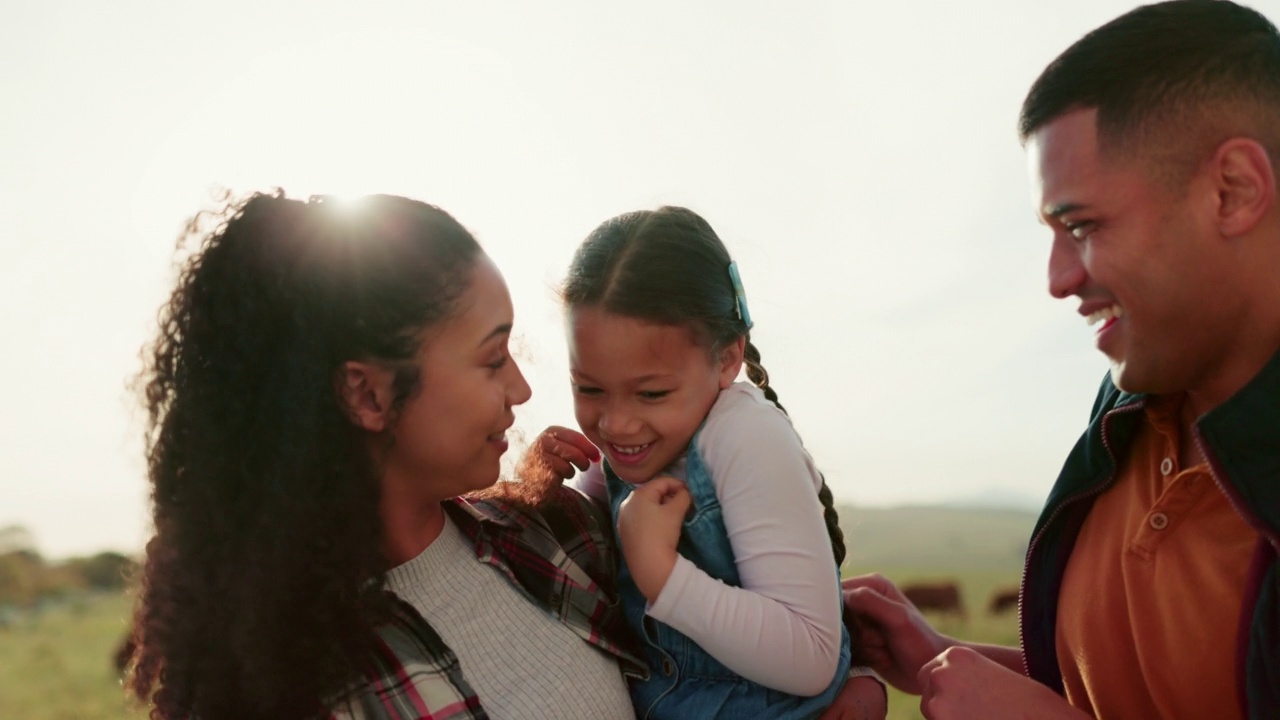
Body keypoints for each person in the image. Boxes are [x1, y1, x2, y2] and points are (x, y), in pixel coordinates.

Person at [121, 191, 884, 720]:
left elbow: (771, 620)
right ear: (369, 395)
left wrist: (859, 681)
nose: (523, 389)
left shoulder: (557, 539)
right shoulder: (278, 685)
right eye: (491, 360)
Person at [842, 2, 1280, 719]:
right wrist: (936, 659)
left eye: (1081, 226)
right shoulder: (1128, 406)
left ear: (1233, 190)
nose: (1057, 279)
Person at [522, 206, 885, 719]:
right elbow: (586, 550)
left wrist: (663, 575)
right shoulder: (631, 451)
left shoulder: (744, 434)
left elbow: (811, 658)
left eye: (651, 393)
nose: (616, 424)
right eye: (589, 388)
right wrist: (541, 479)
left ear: (727, 358)